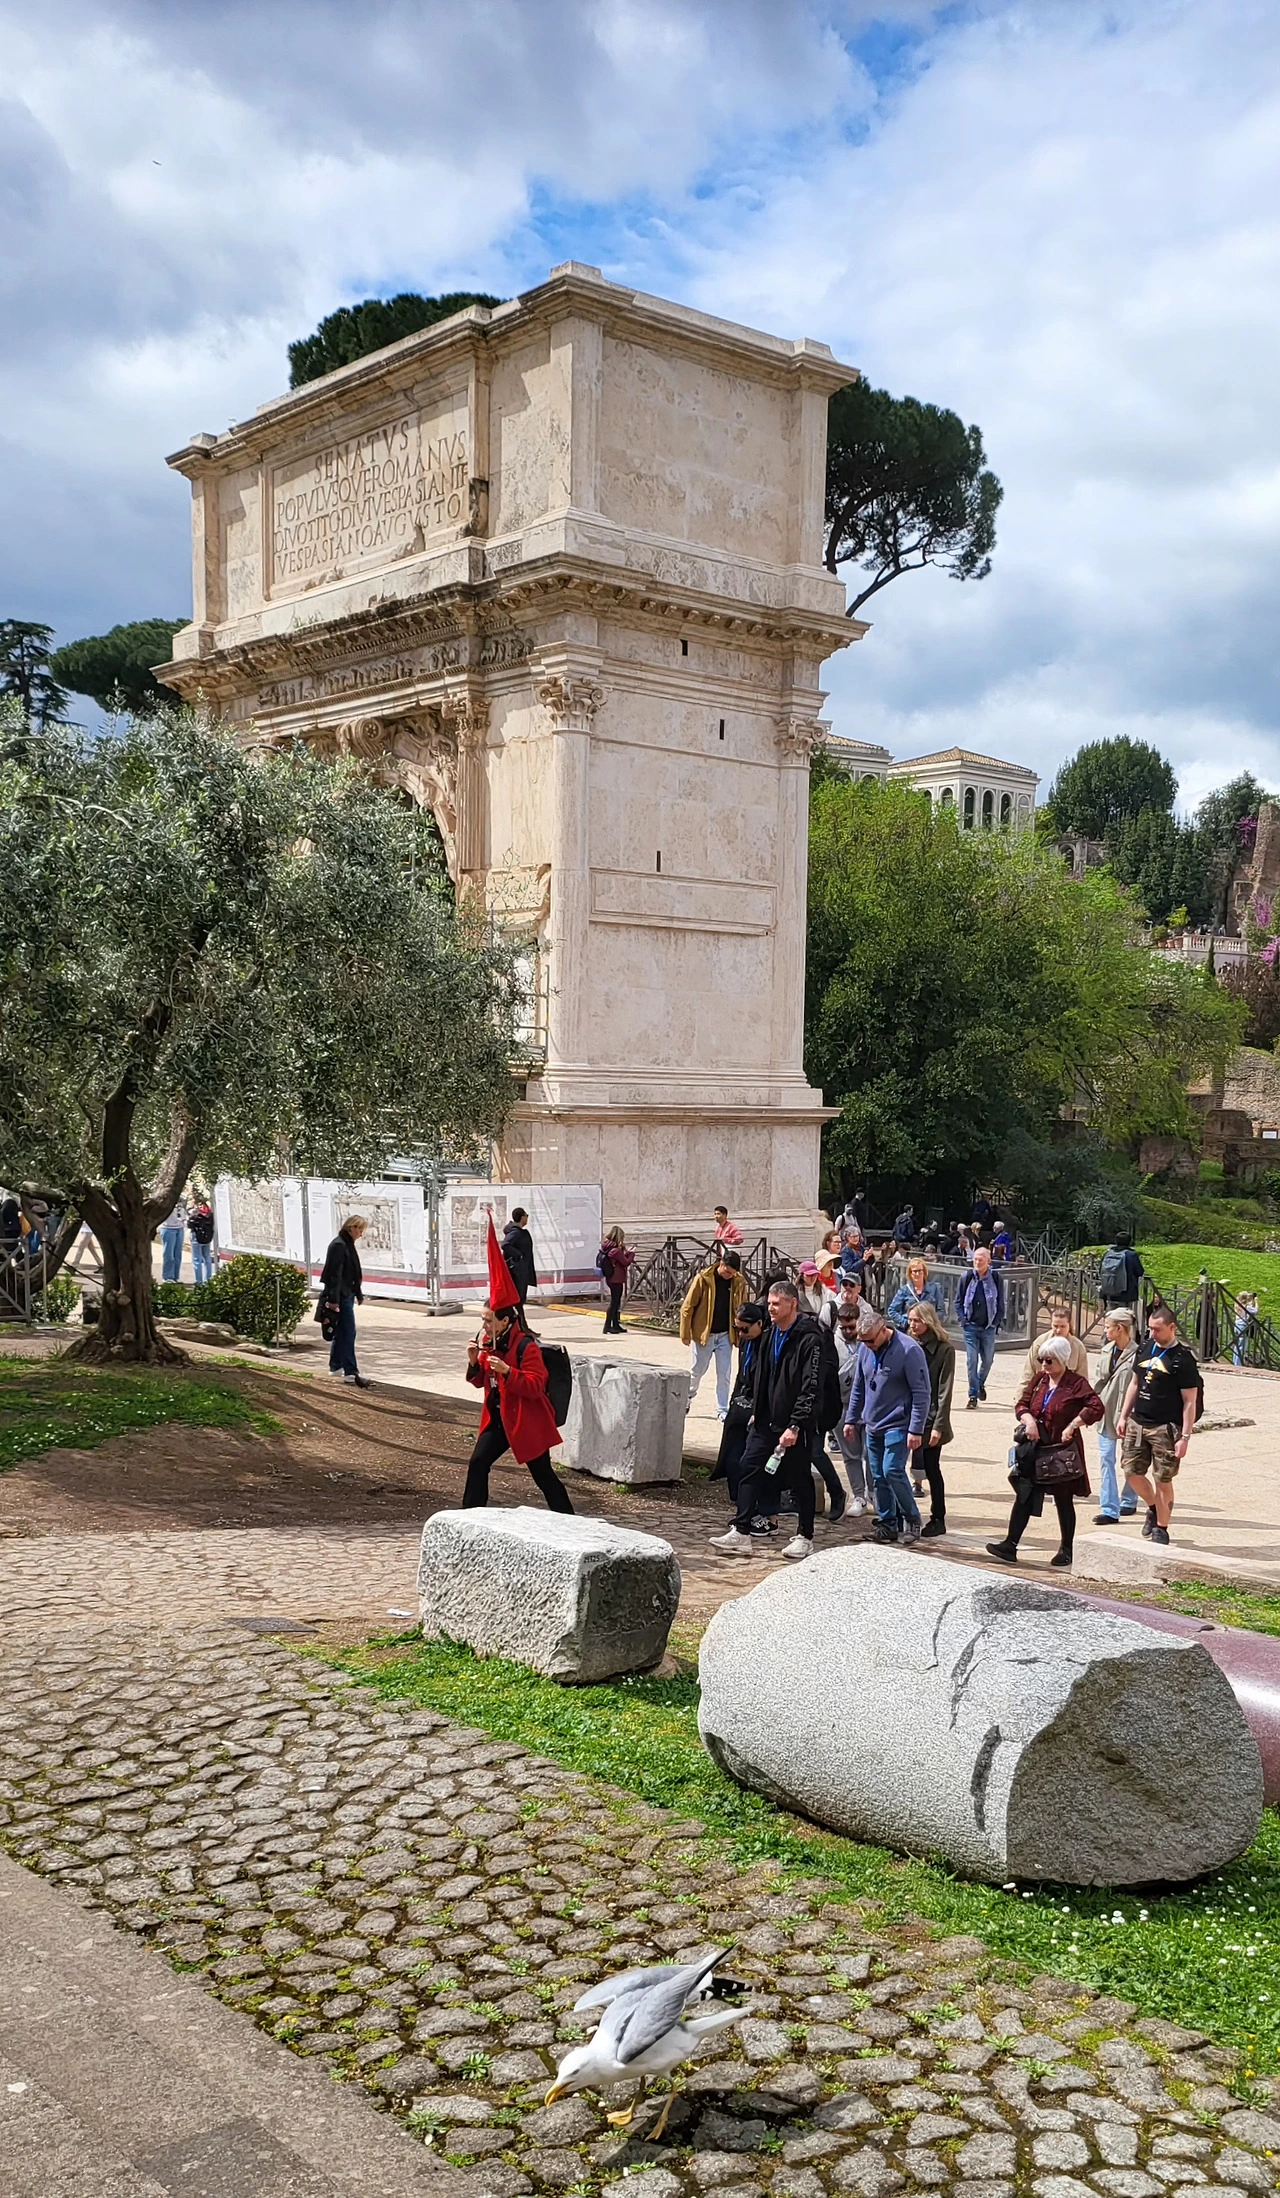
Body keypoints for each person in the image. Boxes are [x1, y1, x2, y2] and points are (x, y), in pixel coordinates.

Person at [709, 1278, 821, 1561]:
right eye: (769, 1303)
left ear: (792, 1304)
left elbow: (810, 1385)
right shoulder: (770, 1336)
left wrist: (796, 1424)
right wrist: (756, 1410)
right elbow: (762, 1376)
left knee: (799, 1478)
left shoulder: (809, 1339)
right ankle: (742, 1530)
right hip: (765, 1420)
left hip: (794, 1424)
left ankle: (805, 1536)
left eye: (776, 1304)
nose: (770, 1308)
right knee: (748, 1466)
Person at [987, 1334, 1103, 1568]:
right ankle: (1010, 1544)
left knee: (1063, 1500)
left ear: (1062, 1360)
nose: (1044, 1365)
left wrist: (1074, 1424)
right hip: (1034, 1450)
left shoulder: (1075, 1383)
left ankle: (1066, 1549)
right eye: (1042, 1360)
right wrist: (1028, 1420)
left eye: (1049, 1360)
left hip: (1060, 1451)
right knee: (1024, 1494)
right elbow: (1022, 1403)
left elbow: (1096, 1407)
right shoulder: (1040, 1380)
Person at [464, 1301, 574, 1512]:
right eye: (483, 1320)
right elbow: (481, 1381)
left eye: (489, 1320)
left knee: (543, 1475)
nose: (484, 1325)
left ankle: (569, 1518)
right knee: (478, 1463)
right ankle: (469, 1516)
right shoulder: (489, 1343)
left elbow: (535, 1386)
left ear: (505, 1321)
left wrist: (508, 1371)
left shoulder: (526, 1346)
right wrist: (473, 1362)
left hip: (525, 1421)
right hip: (498, 1418)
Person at [847, 1300, 930, 1545]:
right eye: (863, 1341)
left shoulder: (909, 1350)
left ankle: (912, 1518)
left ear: (884, 1330)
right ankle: (887, 1524)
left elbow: (921, 1392)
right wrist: (851, 1418)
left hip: (899, 1423)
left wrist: (916, 1429)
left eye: (871, 1340)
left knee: (892, 1470)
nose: (868, 1345)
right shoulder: (865, 1349)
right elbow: (859, 1386)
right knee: (878, 1476)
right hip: (873, 1423)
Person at [1117, 1302, 1200, 1546]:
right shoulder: (1145, 1348)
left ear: (1172, 1328)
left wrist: (1185, 1437)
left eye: (1158, 1329)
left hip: (1166, 1427)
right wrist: (1123, 1415)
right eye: (1150, 1329)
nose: (1153, 1333)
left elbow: (1190, 1401)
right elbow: (1134, 1383)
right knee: (1131, 1472)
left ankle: (1162, 1527)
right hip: (1138, 1422)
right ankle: (1153, 1507)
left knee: (1163, 1478)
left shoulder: (1183, 1359)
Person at [711, 1299, 767, 1512]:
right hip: (741, 1400)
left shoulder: (767, 1342)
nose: (741, 1334)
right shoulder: (745, 1342)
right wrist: (734, 1399)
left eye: (745, 1329)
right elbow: (741, 1373)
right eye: (737, 1329)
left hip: (758, 1403)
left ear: (759, 1324)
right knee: (731, 1453)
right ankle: (736, 1495)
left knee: (750, 1457)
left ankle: (752, 1501)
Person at [680, 1248, 748, 1418]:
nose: (729, 1275)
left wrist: (742, 1331)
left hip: (726, 1334)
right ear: (721, 1264)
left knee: (724, 1373)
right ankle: (687, 1396)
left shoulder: (738, 1281)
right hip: (704, 1334)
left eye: (733, 1273)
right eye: (728, 1271)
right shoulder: (703, 1279)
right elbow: (688, 1306)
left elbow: (743, 1307)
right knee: (698, 1370)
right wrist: (685, 1332)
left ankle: (722, 1409)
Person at [906, 1299, 954, 1537]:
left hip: (931, 1416)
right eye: (910, 1320)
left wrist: (938, 1425)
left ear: (928, 1321)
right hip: (906, 1413)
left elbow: (945, 1390)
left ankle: (938, 1517)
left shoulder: (944, 1350)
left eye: (917, 1320)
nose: (912, 1325)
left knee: (932, 1468)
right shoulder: (907, 1343)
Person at [1092, 1309, 1140, 1524]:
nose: (1105, 1330)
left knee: (1131, 1460)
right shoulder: (1105, 1351)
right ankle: (1109, 1508)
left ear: (1120, 1328)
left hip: (1131, 1415)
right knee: (1106, 1458)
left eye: (1107, 1326)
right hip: (1106, 1413)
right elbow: (1098, 1382)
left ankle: (1129, 1499)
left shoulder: (1139, 1354)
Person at [318, 1214, 371, 1388]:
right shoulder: (339, 1245)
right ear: (352, 1228)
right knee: (348, 1332)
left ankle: (336, 1365)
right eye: (360, 1230)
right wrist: (334, 1300)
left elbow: (352, 1273)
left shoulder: (346, 1244)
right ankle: (350, 1371)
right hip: (340, 1296)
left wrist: (358, 1293)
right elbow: (334, 1275)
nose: (361, 1234)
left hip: (346, 1293)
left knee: (341, 1332)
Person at [830, 1298, 870, 1515]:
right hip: (842, 1405)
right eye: (843, 1327)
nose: (847, 1331)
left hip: (868, 1407)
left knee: (871, 1454)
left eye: (851, 1327)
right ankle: (859, 1496)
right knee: (851, 1455)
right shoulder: (833, 1343)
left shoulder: (869, 1341)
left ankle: (875, 1493)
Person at [957, 1245, 1004, 1407]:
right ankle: (973, 1395)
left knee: (988, 1360)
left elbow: (1000, 1302)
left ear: (988, 1261)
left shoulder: (995, 1278)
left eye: (981, 1260)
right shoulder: (967, 1277)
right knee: (972, 1361)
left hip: (988, 1327)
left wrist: (996, 1322)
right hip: (970, 1326)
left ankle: (979, 1383)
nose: (977, 1262)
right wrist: (963, 1320)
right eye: (975, 1260)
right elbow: (958, 1301)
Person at [1020, 1307, 1088, 1388]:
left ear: (1069, 1325)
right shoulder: (1039, 1343)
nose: (1058, 1330)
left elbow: (1083, 1381)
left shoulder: (1078, 1348)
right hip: (1042, 1391)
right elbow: (1027, 1377)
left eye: (1063, 1326)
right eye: (1055, 1326)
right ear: (1051, 1324)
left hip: (1067, 1392)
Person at [885, 1255, 943, 1332]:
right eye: (914, 1271)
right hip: (909, 1330)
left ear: (924, 1272)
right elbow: (892, 1310)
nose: (917, 1274)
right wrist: (906, 1323)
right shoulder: (904, 1290)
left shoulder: (934, 1288)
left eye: (920, 1271)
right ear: (910, 1273)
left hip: (929, 1330)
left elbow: (941, 1310)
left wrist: (931, 1322)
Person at [597, 1225, 635, 1334]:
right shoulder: (616, 1251)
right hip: (616, 1278)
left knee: (616, 1302)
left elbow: (619, 1259)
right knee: (614, 1303)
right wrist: (631, 1254)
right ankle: (608, 1326)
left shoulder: (607, 1247)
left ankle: (615, 1325)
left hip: (610, 1277)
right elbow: (625, 1262)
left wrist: (625, 1252)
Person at [1097, 1232, 1144, 1320]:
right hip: (1127, 1293)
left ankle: (1110, 1328)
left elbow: (1101, 1270)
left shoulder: (1108, 1253)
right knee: (1125, 1318)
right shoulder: (1131, 1255)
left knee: (1111, 1317)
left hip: (1110, 1292)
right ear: (1129, 1242)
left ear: (1116, 1241)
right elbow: (1140, 1271)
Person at [501, 1208, 537, 1305]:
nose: (527, 1218)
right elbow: (505, 1245)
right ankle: (518, 1315)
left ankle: (519, 1314)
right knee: (519, 1298)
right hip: (518, 1272)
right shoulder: (516, 1232)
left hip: (521, 1270)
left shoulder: (519, 1232)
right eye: (526, 1215)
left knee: (520, 1298)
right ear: (522, 1217)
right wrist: (519, 1255)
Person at [188, 1192, 216, 1285]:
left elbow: (190, 1224)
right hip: (207, 1237)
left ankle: (199, 1281)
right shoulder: (209, 1212)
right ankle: (208, 1279)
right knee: (207, 1258)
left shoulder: (195, 1212)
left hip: (196, 1237)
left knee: (197, 1259)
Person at [159, 1194, 188, 1283]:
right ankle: (168, 1277)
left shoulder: (182, 1199)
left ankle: (175, 1276)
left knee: (177, 1255)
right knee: (169, 1254)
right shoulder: (166, 1199)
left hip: (180, 1228)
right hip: (168, 1228)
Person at [1234, 1290, 1260, 1367]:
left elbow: (1248, 1306)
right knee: (1242, 1346)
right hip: (1243, 1326)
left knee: (1237, 1345)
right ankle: (1238, 1364)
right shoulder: (1246, 1307)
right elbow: (1256, 1310)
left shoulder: (1237, 1305)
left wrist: (1252, 1300)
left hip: (1237, 1325)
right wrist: (1256, 1302)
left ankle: (1235, 1362)